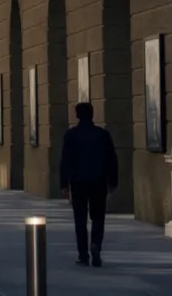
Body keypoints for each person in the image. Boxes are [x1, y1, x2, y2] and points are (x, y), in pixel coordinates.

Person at [58, 102, 118, 267]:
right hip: (98, 181)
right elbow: (112, 160)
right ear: (92, 115)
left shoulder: (70, 135)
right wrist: (113, 181)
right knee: (98, 217)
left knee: (80, 220)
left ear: (77, 115)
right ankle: (96, 245)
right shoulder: (102, 135)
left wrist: (64, 184)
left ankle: (83, 254)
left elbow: (65, 161)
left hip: (78, 182)